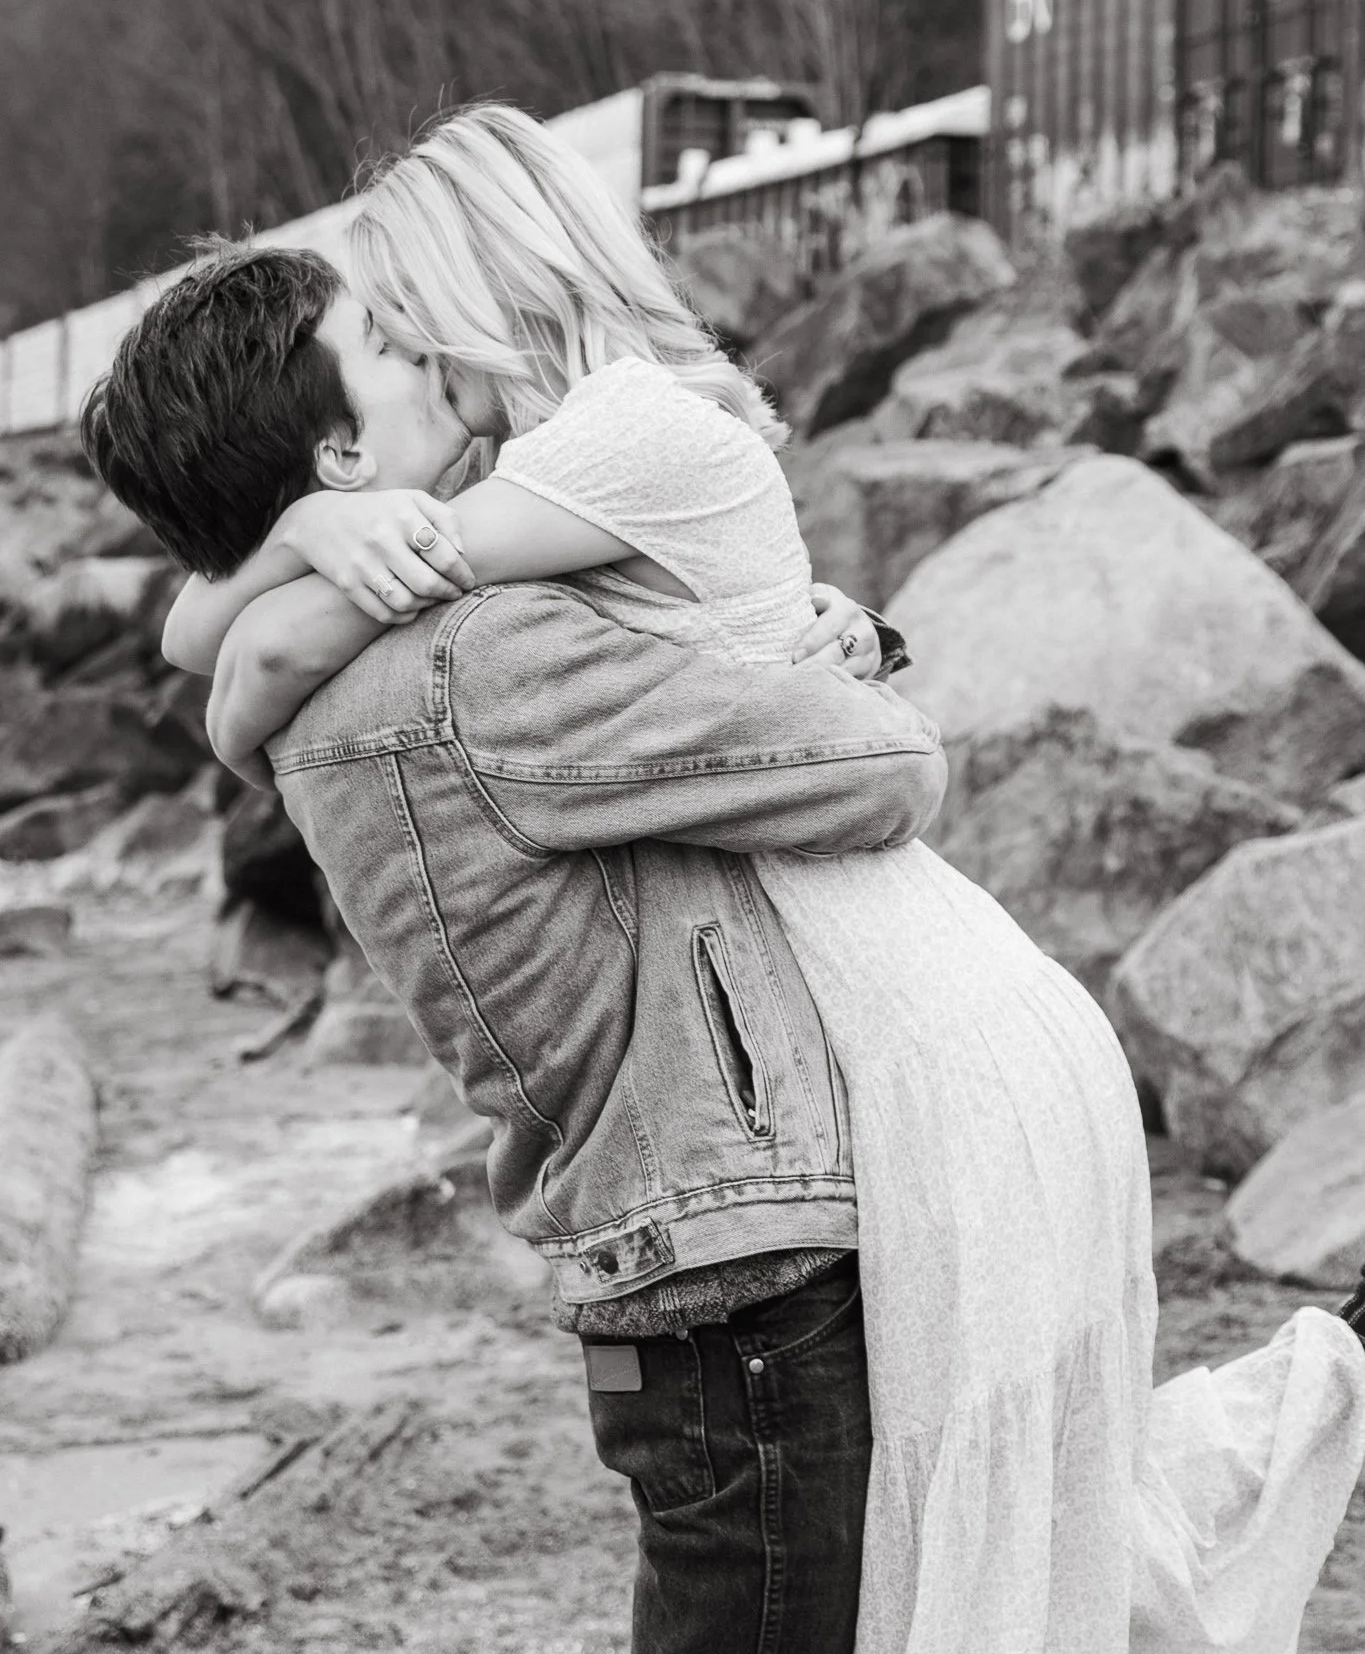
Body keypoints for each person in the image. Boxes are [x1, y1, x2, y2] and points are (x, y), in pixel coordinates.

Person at [141, 105, 1365, 1654]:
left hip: (901, 1064)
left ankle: (1317, 1404)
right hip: (888, 1060)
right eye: (376, 341)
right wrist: (312, 542)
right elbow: (248, 636)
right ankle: (1318, 1399)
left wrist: (275, 618)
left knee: (983, 1558)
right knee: (1002, 1549)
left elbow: (250, 645)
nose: (415, 362)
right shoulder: (520, 528)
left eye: (399, 320)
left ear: (474, 295)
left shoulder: (593, 473)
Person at [81, 237, 947, 1654]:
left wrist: (297, 540)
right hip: (735, 1260)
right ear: (345, 454)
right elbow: (885, 767)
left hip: (656, 1257)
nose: (437, 344)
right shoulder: (477, 660)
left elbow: (219, 645)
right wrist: (803, 641)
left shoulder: (337, 668)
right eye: (394, 341)